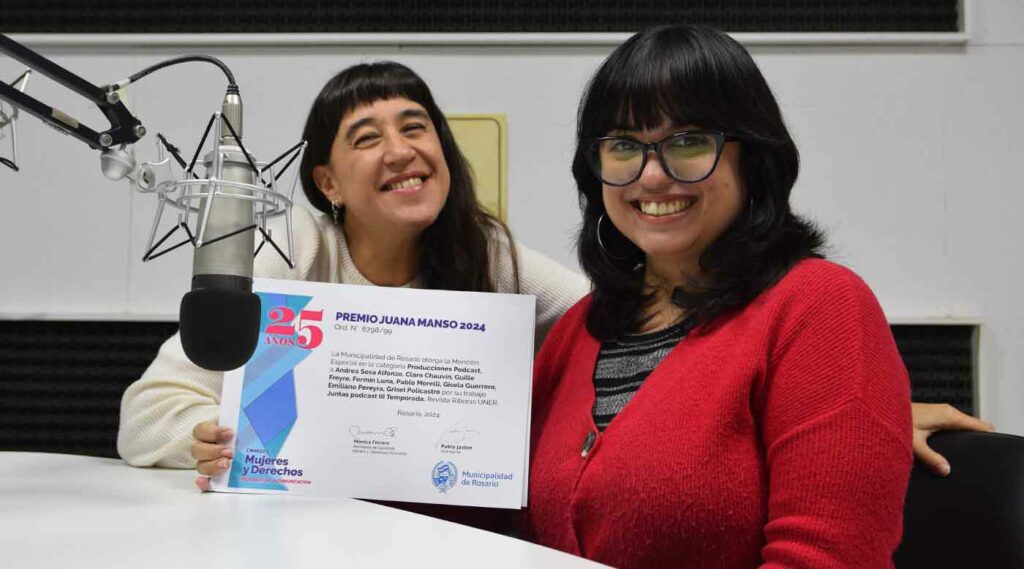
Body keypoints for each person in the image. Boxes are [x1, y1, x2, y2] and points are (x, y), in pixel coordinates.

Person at [525, 24, 925, 567]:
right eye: (623, 146)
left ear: (752, 157)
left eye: (688, 142)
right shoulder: (580, 327)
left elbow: (829, 558)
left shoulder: (819, 308)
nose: (652, 175)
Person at [116, 62, 589, 479]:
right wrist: (207, 439)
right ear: (328, 183)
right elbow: (145, 417)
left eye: (415, 128)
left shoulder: (484, 251)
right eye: (367, 138)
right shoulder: (297, 247)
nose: (401, 151)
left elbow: (607, 315)